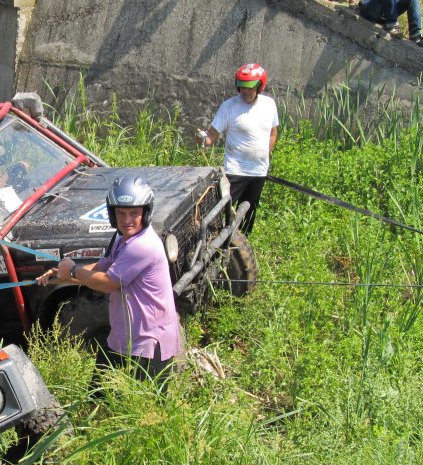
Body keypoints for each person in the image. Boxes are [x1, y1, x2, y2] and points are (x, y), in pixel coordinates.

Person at [37, 176, 181, 385]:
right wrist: (62, 277)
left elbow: (107, 283)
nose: (126, 220)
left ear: (146, 213)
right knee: (99, 394)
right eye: (120, 213)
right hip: (125, 336)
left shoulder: (142, 246)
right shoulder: (122, 238)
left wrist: (74, 270)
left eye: (134, 213)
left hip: (149, 343)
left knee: (148, 407)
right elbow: (100, 268)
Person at [197, 63, 279, 236]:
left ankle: (241, 249)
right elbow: (212, 134)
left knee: (248, 214)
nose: (245, 92)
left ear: (259, 87)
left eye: (249, 88)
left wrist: (266, 154)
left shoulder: (269, 105)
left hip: (258, 172)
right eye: (241, 87)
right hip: (235, 170)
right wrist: (204, 139)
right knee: (220, 211)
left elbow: (273, 133)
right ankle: (212, 241)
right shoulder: (229, 106)